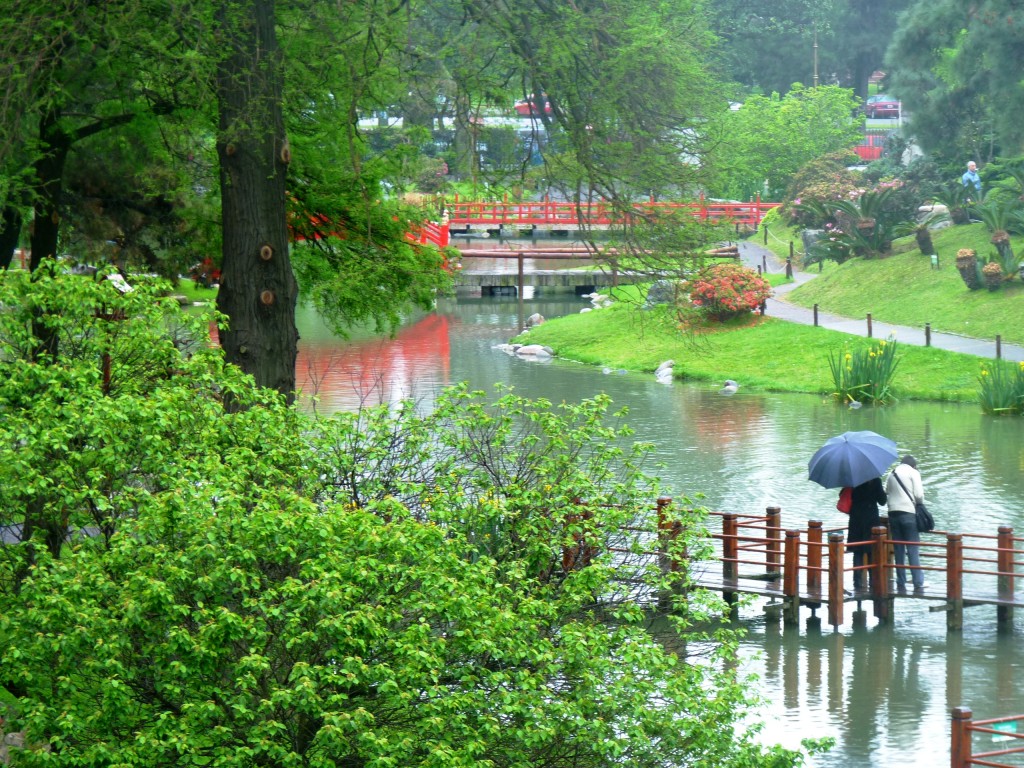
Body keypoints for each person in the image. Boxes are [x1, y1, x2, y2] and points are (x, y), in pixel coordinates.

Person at [886, 455, 926, 592]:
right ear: (913, 466)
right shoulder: (913, 473)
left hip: (893, 514)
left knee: (898, 549)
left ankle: (901, 581)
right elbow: (919, 495)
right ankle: (918, 582)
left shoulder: (892, 473)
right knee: (913, 548)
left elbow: (887, 491)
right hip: (908, 513)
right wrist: (919, 505)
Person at [847, 476, 888, 593]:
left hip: (856, 518)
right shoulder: (875, 480)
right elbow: (882, 501)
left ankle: (857, 582)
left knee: (857, 551)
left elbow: (851, 496)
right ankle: (872, 581)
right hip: (870, 517)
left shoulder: (854, 479)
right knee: (871, 550)